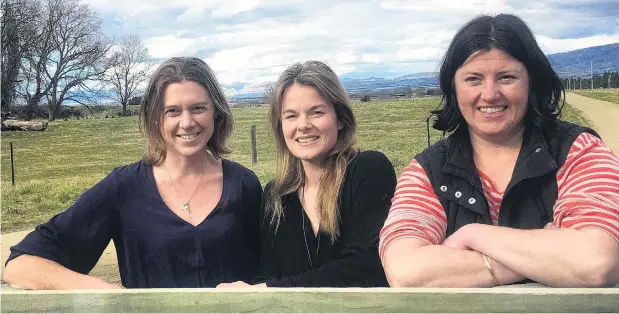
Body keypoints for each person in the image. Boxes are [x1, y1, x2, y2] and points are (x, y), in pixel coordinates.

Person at [380, 14, 619, 288]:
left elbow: (597, 261)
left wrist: (473, 235)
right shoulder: (427, 172)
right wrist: (544, 261)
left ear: (532, 83)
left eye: (507, 77)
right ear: (453, 89)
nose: (490, 93)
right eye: (473, 79)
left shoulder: (579, 152)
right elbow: (405, 271)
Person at [3, 57, 262, 289]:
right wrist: (103, 292)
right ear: (155, 119)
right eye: (172, 111)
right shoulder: (124, 188)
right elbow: (20, 264)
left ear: (216, 113)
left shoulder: (244, 185)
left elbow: (272, 275)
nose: (187, 122)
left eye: (198, 108)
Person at [217, 61, 396, 288]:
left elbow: (365, 267)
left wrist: (266, 291)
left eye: (316, 112)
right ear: (281, 126)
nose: (303, 125)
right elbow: (269, 273)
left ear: (340, 119)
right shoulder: (277, 196)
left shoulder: (368, 171)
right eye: (291, 116)